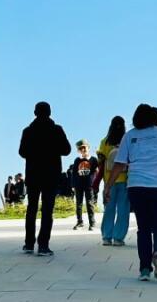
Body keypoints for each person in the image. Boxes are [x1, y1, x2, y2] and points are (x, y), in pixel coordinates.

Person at [111, 104, 157, 280]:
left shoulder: (129, 135)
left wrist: (108, 185)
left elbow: (119, 164)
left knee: (143, 228)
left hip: (137, 186)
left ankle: (144, 269)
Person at [18, 102, 71, 256]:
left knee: (31, 209)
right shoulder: (57, 130)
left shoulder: (28, 131)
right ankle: (43, 246)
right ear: (50, 112)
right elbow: (66, 150)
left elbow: (22, 152)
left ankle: (28, 244)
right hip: (51, 176)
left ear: (35, 112)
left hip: (33, 175)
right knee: (47, 211)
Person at [98, 116, 130, 247]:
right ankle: (118, 238)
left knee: (109, 209)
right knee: (123, 210)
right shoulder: (127, 140)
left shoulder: (105, 141)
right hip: (125, 179)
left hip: (109, 180)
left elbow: (101, 161)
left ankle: (107, 236)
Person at [69, 141, 98, 231]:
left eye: (84, 147)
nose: (83, 149)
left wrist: (96, 184)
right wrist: (73, 185)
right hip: (78, 185)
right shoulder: (77, 160)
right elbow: (74, 173)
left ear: (88, 148)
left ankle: (92, 223)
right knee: (79, 204)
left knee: (90, 203)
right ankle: (79, 222)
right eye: (81, 148)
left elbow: (97, 171)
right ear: (79, 151)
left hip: (89, 185)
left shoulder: (93, 159)